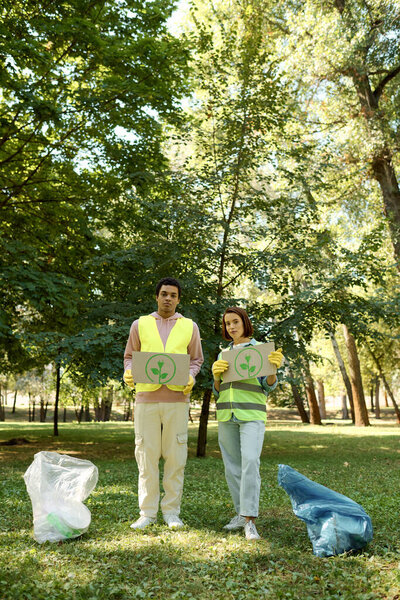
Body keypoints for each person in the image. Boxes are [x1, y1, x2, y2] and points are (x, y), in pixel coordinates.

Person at [123, 277, 204, 530]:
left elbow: (196, 360)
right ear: (156, 297)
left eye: (173, 295)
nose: (168, 298)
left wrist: (191, 376)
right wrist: (128, 372)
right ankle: (147, 513)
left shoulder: (190, 326)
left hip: (177, 400)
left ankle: (171, 513)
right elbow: (129, 357)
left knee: (175, 457)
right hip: (146, 399)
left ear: (179, 299)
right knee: (146, 456)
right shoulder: (140, 324)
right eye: (164, 294)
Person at [212, 307, 283, 541]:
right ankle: (240, 515)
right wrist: (215, 378)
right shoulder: (223, 354)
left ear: (245, 323)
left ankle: (250, 520)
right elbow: (218, 391)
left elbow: (268, 385)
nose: (231, 327)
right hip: (226, 416)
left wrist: (273, 370)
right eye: (227, 324)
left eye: (235, 322)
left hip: (252, 414)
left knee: (250, 462)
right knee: (232, 466)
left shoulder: (260, 350)